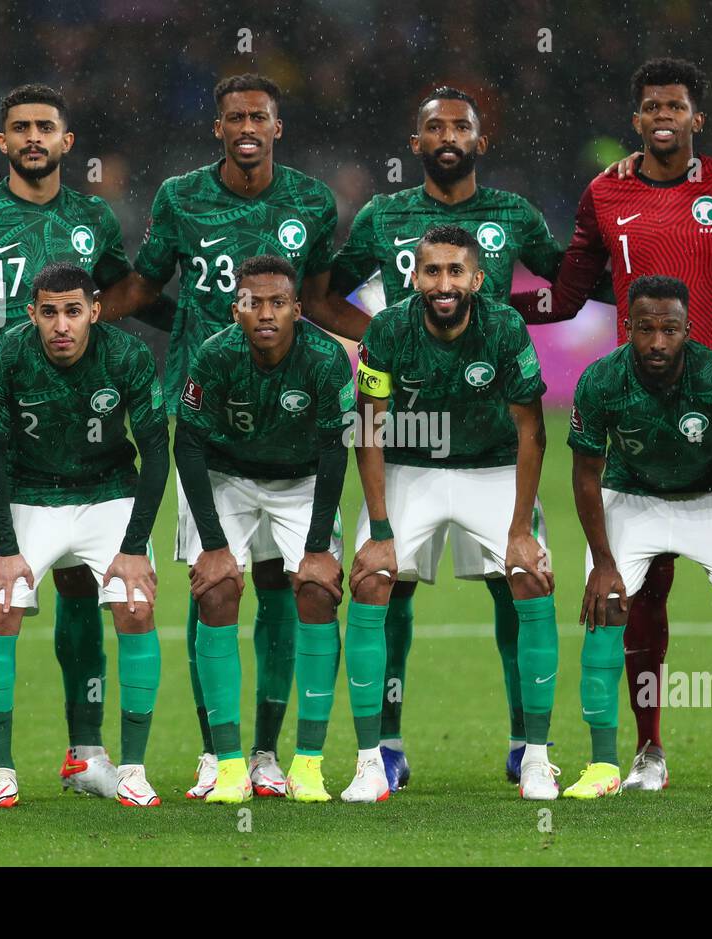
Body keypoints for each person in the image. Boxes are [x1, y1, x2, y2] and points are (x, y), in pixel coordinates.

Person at [517, 58, 712, 790]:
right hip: (636, 425)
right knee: (638, 602)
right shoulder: (605, 193)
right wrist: (493, 313)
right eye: (650, 106)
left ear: (697, 117)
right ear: (635, 119)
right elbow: (571, 295)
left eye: (676, 104)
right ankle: (645, 752)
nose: (663, 114)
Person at [99, 74, 366, 798]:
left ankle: (271, 754)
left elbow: (315, 301)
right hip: (208, 408)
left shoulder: (311, 201)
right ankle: (218, 755)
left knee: (287, 590)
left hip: (288, 413)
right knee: (213, 583)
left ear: (278, 127)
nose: (247, 126)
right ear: (217, 128)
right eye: (234, 117)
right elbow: (148, 286)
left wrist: (386, 341)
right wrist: (85, 313)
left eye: (260, 116)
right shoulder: (179, 197)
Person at [349, 225, 557, 801]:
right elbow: (367, 428)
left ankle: (534, 754)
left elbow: (531, 431)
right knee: (372, 581)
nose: (444, 284)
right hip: (409, 467)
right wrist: (382, 530)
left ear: (478, 278)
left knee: (531, 577)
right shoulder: (388, 329)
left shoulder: (504, 326)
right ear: (413, 276)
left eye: (455, 272)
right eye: (432, 272)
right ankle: (375, 757)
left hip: (490, 468)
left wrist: (519, 531)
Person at [567, 275, 712, 798]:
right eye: (645, 329)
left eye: (670, 330)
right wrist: (601, 563)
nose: (657, 342)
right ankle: (610, 763)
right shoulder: (600, 381)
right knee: (608, 606)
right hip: (634, 495)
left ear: (688, 329)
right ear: (629, 328)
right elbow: (585, 475)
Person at [0, 264, 170, 808]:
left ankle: (131, 769)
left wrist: (133, 548)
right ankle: (1, 771)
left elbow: (156, 453)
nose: (62, 325)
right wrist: (6, 550)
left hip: (108, 494)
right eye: (50, 312)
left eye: (74, 311)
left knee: (135, 603)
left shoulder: (127, 357)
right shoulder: (4, 355)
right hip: (28, 494)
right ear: (32, 312)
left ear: (95, 311)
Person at [174, 255, 351, 803]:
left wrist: (318, 548)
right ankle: (227, 763)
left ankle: (306, 763)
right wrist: (213, 545)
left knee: (319, 592)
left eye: (278, 303)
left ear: (298, 309)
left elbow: (333, 452)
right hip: (228, 478)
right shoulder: (214, 355)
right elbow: (188, 444)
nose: (266, 313)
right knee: (218, 589)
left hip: (300, 483)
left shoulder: (325, 359)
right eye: (253, 303)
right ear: (236, 310)